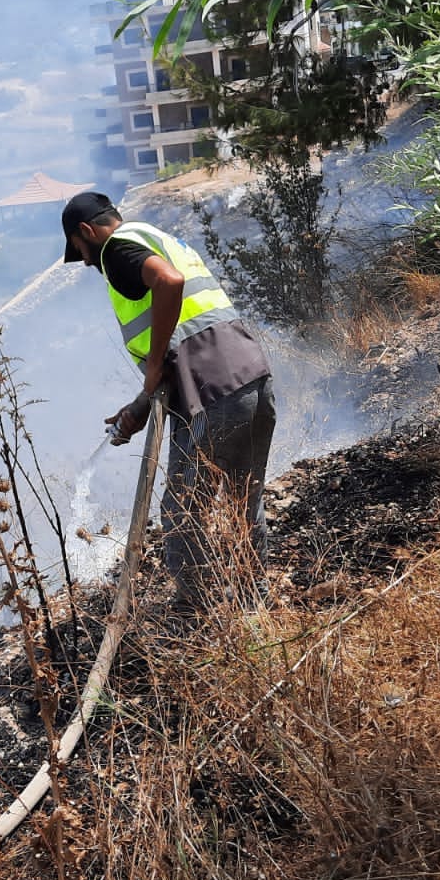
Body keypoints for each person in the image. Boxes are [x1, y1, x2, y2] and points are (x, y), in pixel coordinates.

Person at [61, 190, 276, 609]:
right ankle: (255, 606)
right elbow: (186, 328)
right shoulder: (155, 237)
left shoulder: (116, 251)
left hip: (210, 394)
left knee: (181, 514)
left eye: (80, 251)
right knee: (243, 501)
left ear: (87, 232)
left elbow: (168, 283)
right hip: (250, 379)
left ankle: (195, 614)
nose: (87, 262)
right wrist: (143, 400)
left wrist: (156, 362)